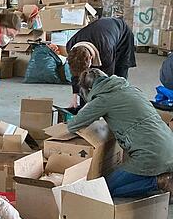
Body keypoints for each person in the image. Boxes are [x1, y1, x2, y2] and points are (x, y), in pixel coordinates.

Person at [68, 69, 173, 197]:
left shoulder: (103, 99)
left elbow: (73, 125)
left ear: (89, 89)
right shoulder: (131, 89)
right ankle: (163, 175)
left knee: (104, 190)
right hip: (169, 145)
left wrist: (88, 108)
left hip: (150, 155)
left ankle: (159, 182)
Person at [66, 17, 137, 109]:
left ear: (91, 58)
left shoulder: (106, 52)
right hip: (101, 33)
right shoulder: (71, 46)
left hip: (122, 34)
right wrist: (75, 97)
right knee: (85, 80)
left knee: (119, 76)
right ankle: (85, 106)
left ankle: (117, 106)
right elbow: (76, 74)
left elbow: (107, 80)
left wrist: (97, 103)